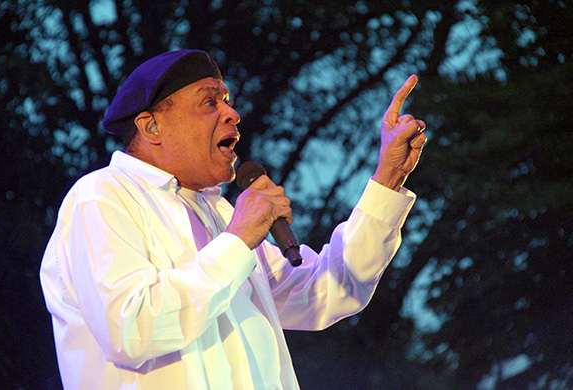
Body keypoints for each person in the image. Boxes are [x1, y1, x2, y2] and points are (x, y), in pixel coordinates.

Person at [40, 49, 427, 390]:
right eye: (210, 103)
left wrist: (387, 180)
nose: (233, 113)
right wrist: (239, 240)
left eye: (227, 100)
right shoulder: (102, 197)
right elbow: (131, 326)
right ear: (151, 126)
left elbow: (329, 290)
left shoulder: (219, 214)